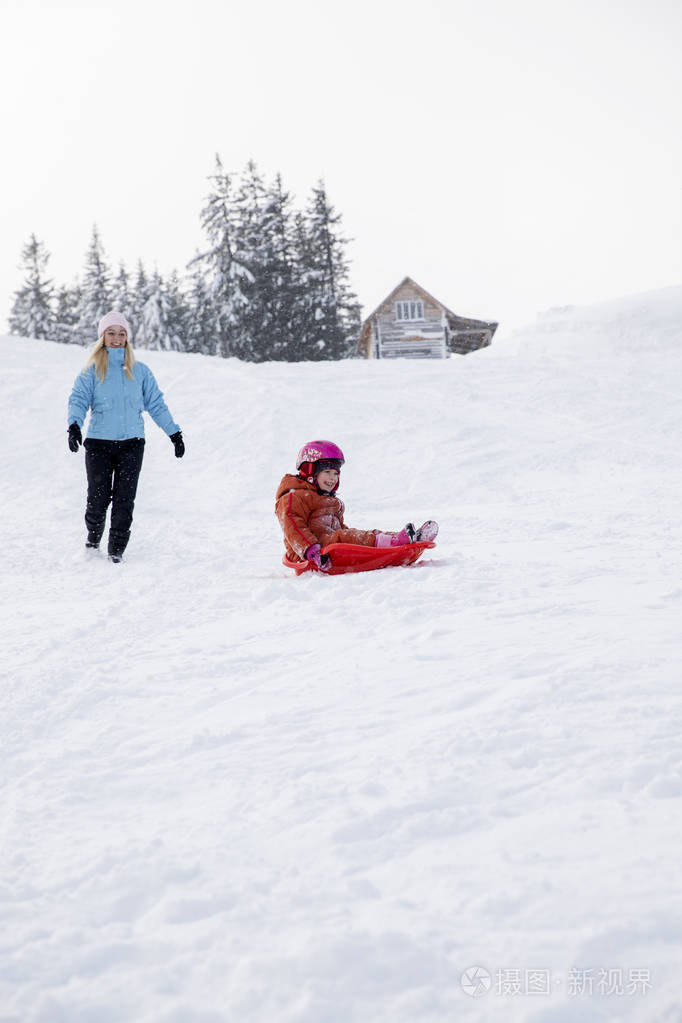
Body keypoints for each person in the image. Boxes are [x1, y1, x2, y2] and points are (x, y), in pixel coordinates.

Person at [67, 310, 185, 563]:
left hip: (132, 445)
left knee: (124, 500)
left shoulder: (140, 371)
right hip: (99, 444)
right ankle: (92, 541)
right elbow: (78, 400)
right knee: (98, 498)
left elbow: (156, 404)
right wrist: (74, 425)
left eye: (121, 333)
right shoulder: (91, 371)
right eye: (111, 333)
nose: (117, 338)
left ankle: (116, 551)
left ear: (127, 337)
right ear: (103, 336)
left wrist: (174, 433)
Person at [275, 440, 438, 571]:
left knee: (360, 534)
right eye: (327, 472)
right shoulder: (294, 496)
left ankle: (406, 539)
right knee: (346, 537)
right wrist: (311, 550)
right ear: (310, 471)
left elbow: (338, 527)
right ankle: (395, 543)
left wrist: (353, 535)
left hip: (328, 545)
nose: (332, 478)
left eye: (336, 473)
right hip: (309, 554)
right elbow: (292, 525)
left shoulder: (327, 499)